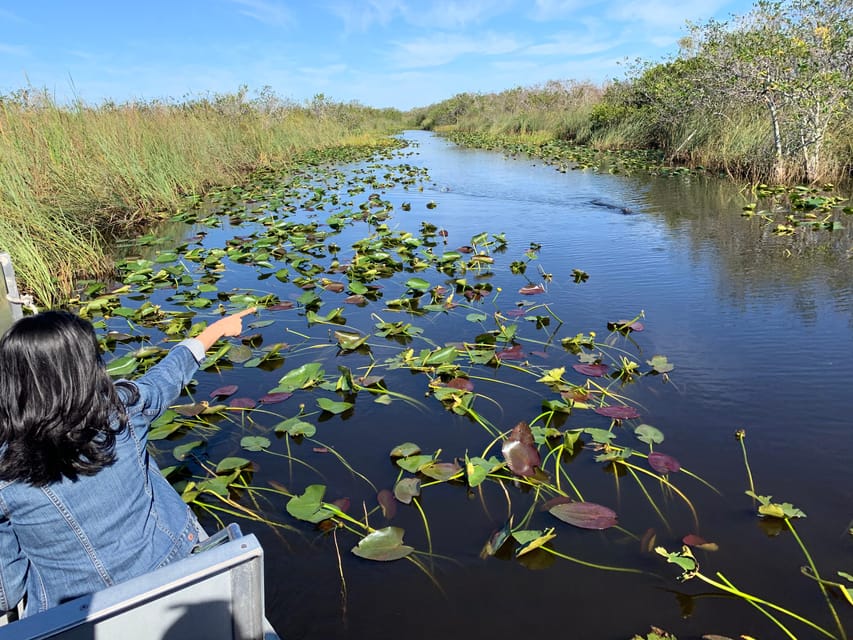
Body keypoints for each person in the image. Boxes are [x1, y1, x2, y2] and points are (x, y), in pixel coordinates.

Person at [0, 307, 255, 616]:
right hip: (170, 572)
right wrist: (215, 330)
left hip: (71, 619)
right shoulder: (122, 414)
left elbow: (8, 590)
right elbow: (166, 377)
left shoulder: (5, 473)